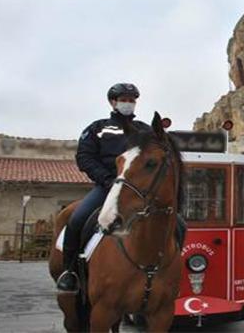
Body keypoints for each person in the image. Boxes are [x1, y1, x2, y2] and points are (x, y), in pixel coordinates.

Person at [56, 83, 186, 292]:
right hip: (107, 186)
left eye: (131, 100)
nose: (128, 103)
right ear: (113, 102)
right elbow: (85, 158)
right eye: (123, 99)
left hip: (139, 190)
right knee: (77, 219)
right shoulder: (97, 128)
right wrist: (107, 179)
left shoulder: (145, 130)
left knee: (179, 223)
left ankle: (169, 270)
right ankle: (70, 271)